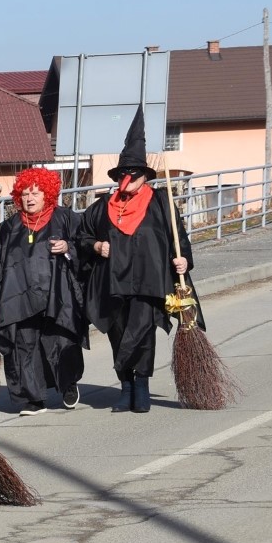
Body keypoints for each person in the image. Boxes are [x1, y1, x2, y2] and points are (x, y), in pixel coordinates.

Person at [76, 109, 193, 413]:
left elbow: (177, 237)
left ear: (144, 177)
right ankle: (124, 385)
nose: (128, 179)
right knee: (117, 330)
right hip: (111, 282)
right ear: (117, 178)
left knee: (141, 332)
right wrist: (97, 245)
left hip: (149, 281)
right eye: (123, 174)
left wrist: (183, 261)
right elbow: (82, 237)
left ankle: (141, 384)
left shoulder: (160, 204)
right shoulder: (102, 207)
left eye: (135, 174)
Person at [0, 166, 88, 414]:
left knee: (60, 342)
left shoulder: (66, 219)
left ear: (47, 194)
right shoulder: (8, 228)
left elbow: (86, 247)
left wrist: (68, 248)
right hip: (19, 298)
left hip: (57, 296)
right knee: (23, 346)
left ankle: (68, 383)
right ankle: (31, 398)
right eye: (25, 194)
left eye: (35, 193)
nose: (29, 199)